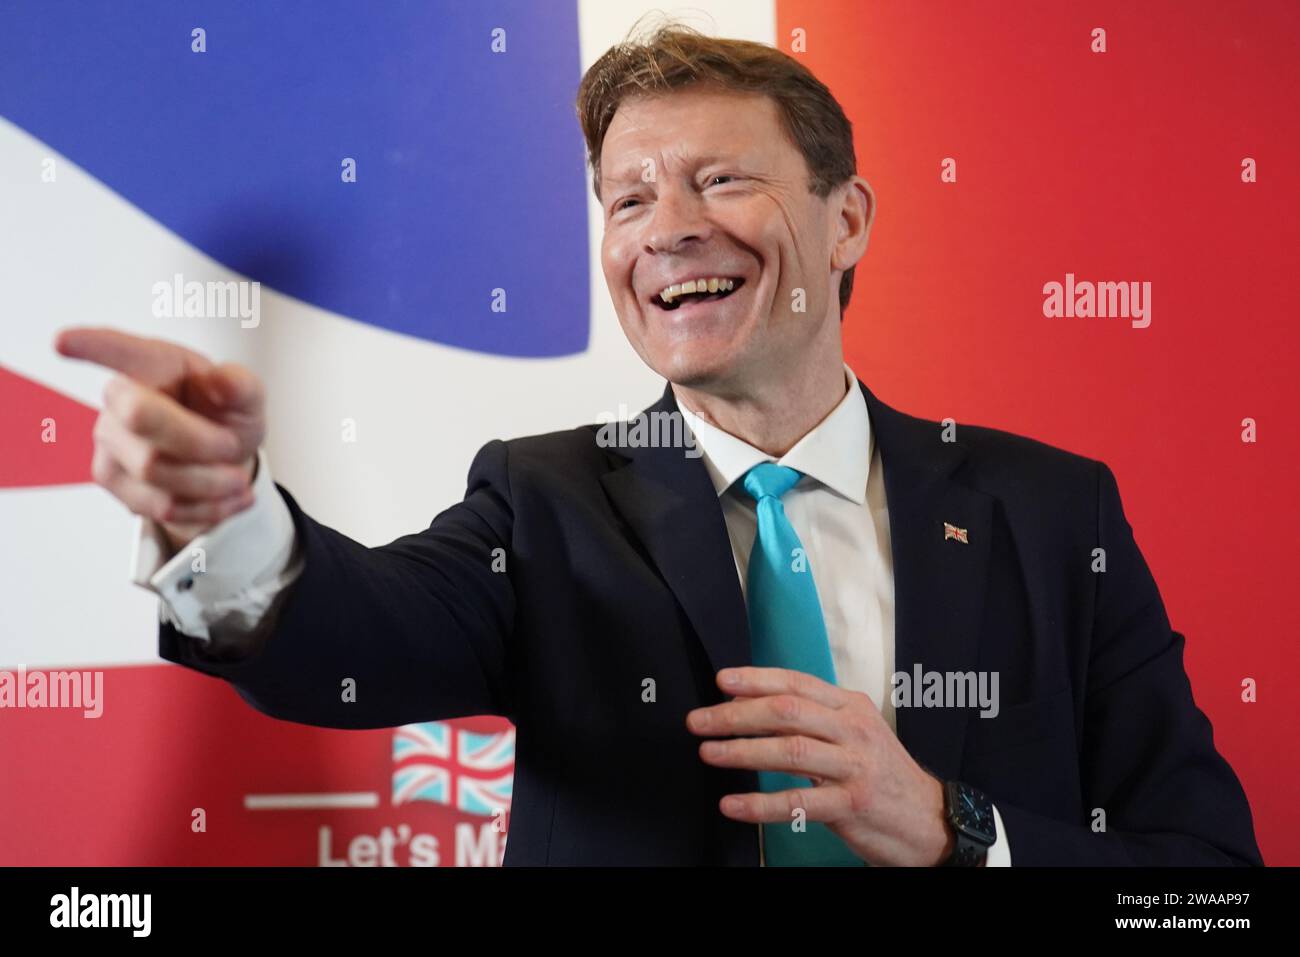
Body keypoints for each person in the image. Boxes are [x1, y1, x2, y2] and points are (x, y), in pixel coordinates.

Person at [54, 26, 1261, 866]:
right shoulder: (542, 500)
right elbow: (349, 641)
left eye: (719, 179)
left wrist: (955, 828)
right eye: (627, 199)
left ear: (846, 221)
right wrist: (223, 515)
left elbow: (1199, 879)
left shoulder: (1052, 513)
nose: (667, 231)